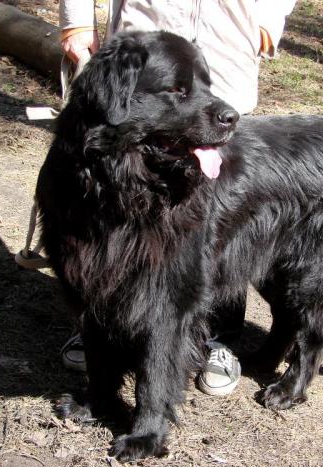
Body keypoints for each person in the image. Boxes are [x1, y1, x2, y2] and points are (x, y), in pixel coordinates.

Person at [57, 0, 297, 396]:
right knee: (106, 238)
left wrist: (268, 19)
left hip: (226, 38)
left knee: (214, 234)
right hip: (146, 40)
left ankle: (214, 339)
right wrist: (76, 22)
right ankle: (104, 333)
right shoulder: (127, 70)